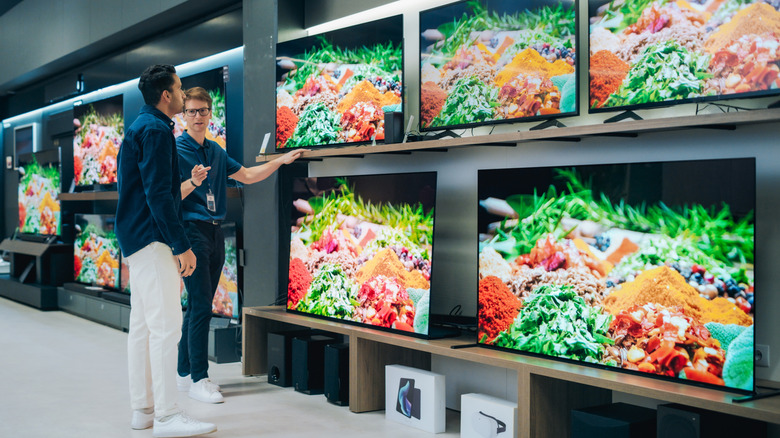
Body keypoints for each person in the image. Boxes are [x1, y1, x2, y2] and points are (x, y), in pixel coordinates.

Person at [176, 86, 307, 403]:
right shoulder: (176, 151)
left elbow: (247, 174)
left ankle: (182, 373)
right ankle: (198, 378)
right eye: (190, 111)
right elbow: (168, 196)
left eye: (202, 111)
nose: (197, 117)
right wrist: (193, 182)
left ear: (210, 113)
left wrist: (281, 161)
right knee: (201, 305)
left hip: (215, 230)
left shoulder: (216, 151)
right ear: (182, 115)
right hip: (191, 231)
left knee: (198, 305)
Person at [116, 65, 217, 437]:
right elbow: (159, 195)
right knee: (166, 327)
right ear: (166, 96)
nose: (182, 95)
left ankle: (143, 410)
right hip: (153, 238)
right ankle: (168, 416)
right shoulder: (157, 130)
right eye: (178, 90)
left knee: (143, 327)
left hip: (134, 238)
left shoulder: (139, 126)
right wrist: (181, 245)